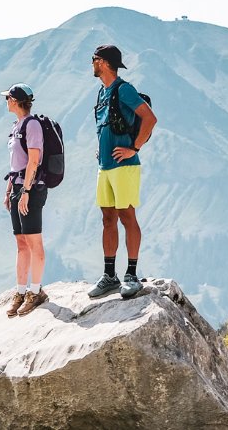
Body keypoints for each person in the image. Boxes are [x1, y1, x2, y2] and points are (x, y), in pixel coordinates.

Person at [85, 45, 158, 300]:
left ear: (104, 63)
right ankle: (109, 276)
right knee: (108, 219)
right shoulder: (102, 92)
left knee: (127, 217)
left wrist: (133, 148)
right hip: (105, 166)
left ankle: (131, 275)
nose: (92, 63)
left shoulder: (123, 89)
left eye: (94, 59)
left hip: (124, 166)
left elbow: (150, 119)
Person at [1, 83, 49, 317]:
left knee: (33, 241)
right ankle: (21, 292)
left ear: (14, 100)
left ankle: (36, 291)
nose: (6, 102)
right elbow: (16, 164)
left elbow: (34, 160)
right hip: (18, 187)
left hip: (31, 189)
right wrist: (9, 190)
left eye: (7, 98)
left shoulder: (32, 125)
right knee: (21, 242)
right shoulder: (17, 126)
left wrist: (27, 191)